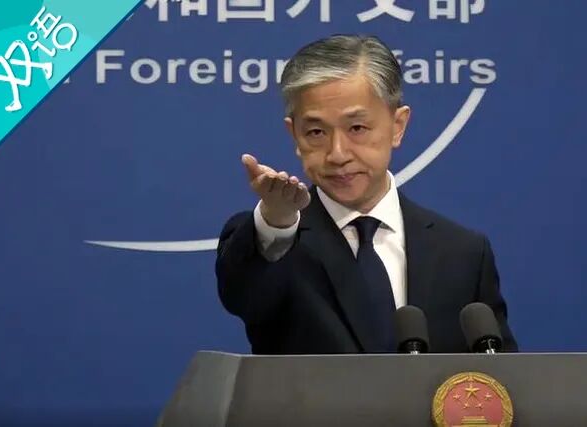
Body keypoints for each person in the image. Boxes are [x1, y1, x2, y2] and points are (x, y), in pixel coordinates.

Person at [215, 34, 517, 354]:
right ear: (295, 135)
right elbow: (243, 296)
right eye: (316, 132)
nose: (337, 153)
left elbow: (500, 375)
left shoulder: (463, 253)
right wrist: (276, 221)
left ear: (398, 125)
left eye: (356, 128)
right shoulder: (274, 241)